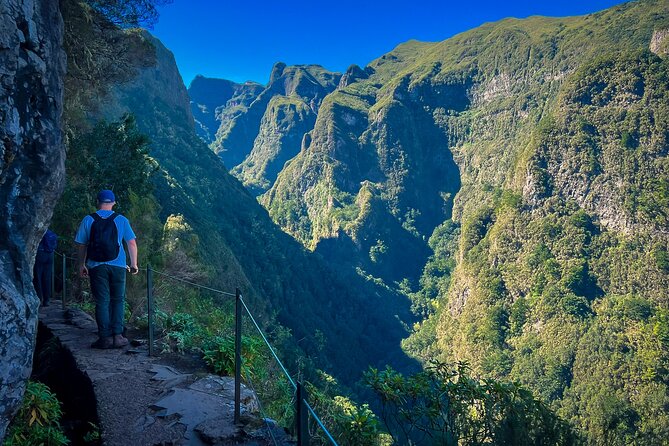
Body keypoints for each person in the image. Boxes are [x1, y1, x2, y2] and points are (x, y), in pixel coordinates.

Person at [75, 190, 139, 349]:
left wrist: (81, 264)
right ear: (114, 203)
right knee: (118, 300)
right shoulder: (121, 220)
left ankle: (105, 338)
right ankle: (118, 336)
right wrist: (134, 264)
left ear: (97, 201)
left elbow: (82, 245)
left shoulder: (89, 219)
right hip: (117, 266)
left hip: (96, 266)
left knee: (102, 301)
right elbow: (131, 243)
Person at [34, 229, 57, 306]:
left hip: (40, 254)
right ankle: (47, 300)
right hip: (50, 255)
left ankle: (39, 299)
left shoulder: (38, 231)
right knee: (47, 277)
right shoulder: (50, 232)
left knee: (38, 277)